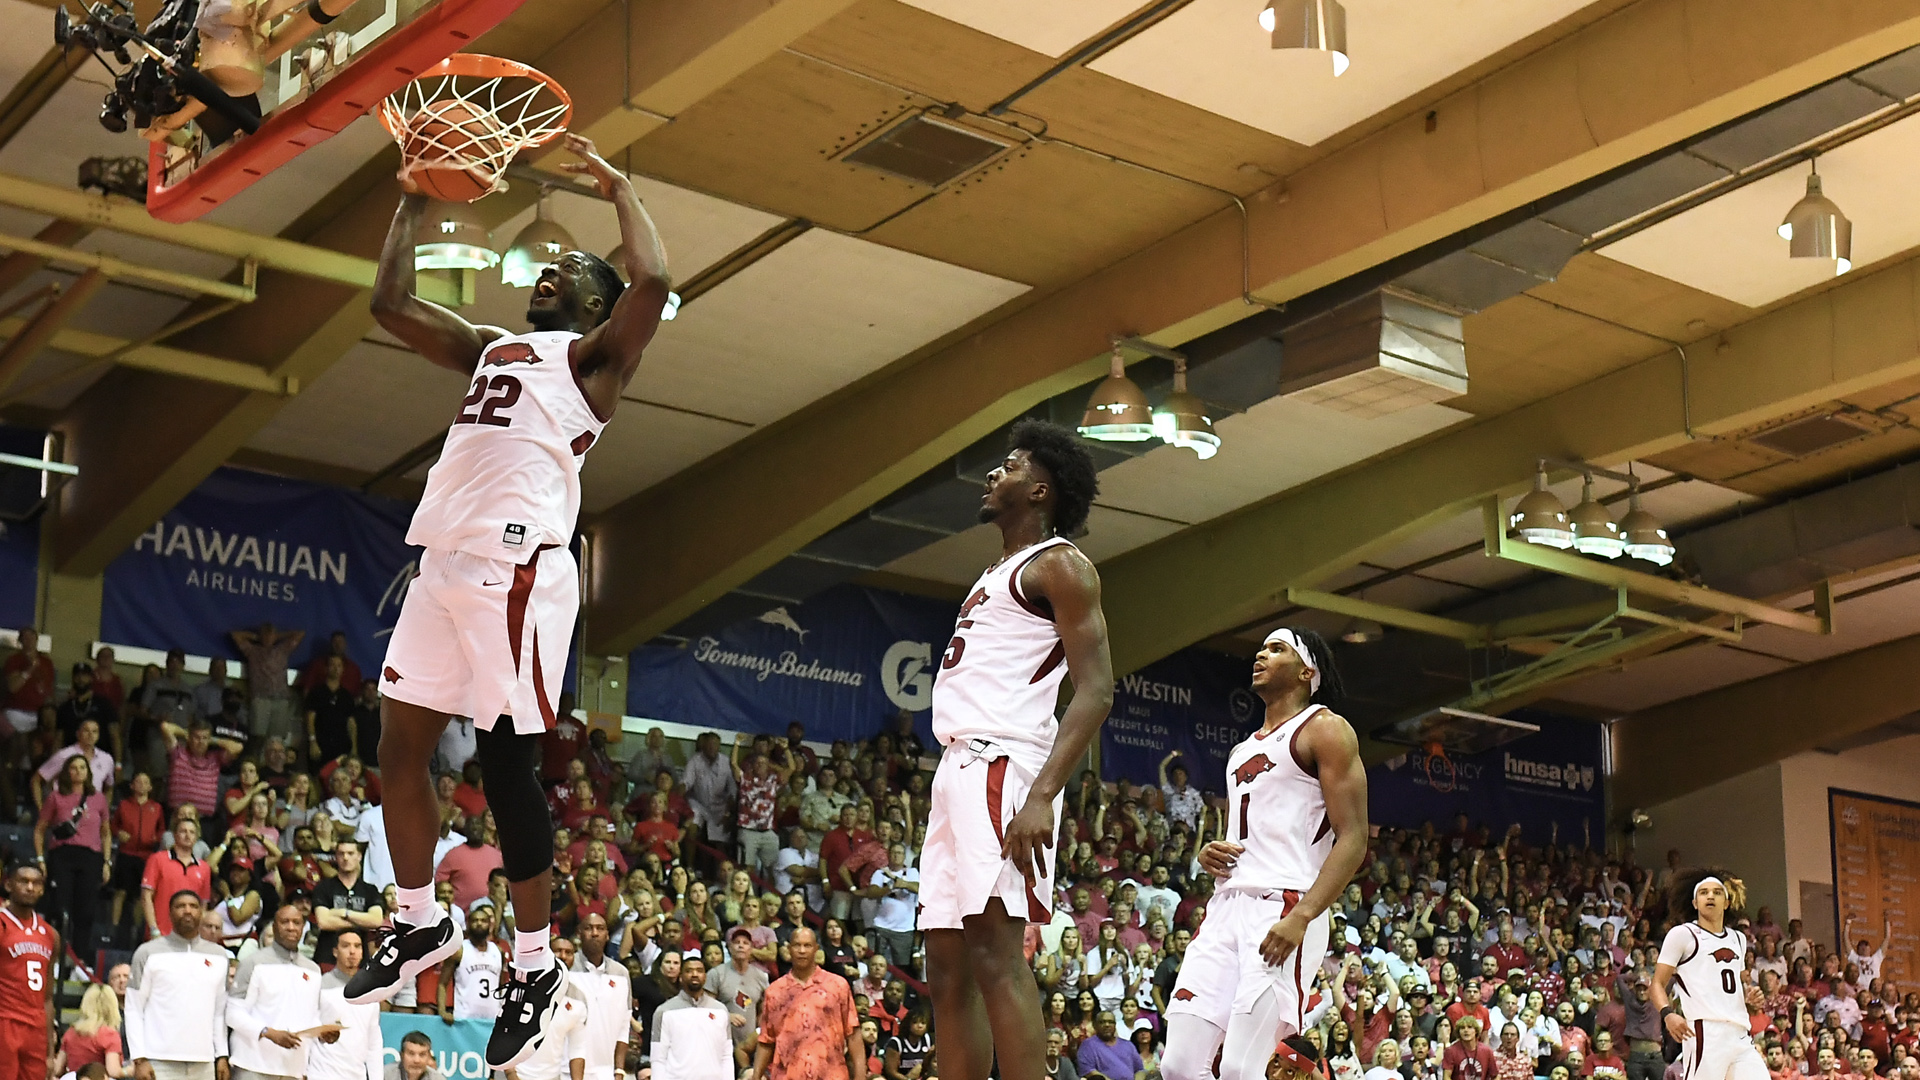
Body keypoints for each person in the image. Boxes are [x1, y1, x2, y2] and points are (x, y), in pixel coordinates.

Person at [346, 131, 671, 1074]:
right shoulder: (494, 348)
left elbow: (651, 284)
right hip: (442, 563)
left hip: (520, 571)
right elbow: (388, 303)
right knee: (397, 747)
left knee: (504, 766)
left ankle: (534, 966)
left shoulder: (596, 364)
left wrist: (618, 184)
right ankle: (417, 922)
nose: (550, 273)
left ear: (596, 308)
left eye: (570, 272)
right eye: (550, 267)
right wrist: (409, 200)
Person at [923, 420, 1113, 1080]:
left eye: (1008, 466)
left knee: (996, 957)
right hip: (956, 766)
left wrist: (1041, 797)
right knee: (945, 970)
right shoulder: (995, 570)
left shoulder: (1060, 564)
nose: (992, 474)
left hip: (1004, 764)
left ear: (1039, 491)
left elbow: (1096, 690)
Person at [1163, 628, 1368, 1080]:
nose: (1262, 653)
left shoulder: (1326, 729)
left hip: (1284, 905)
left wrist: (1304, 916)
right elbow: (1252, 832)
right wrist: (1208, 854)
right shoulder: (1241, 750)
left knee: (1241, 1067)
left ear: (1306, 671)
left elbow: (1353, 838)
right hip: (1226, 906)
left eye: (1278, 649)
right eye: (1262, 647)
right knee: (1177, 1064)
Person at [1653, 872, 1766, 1080]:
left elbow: (1734, 986)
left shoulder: (1739, 939)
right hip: (1705, 1031)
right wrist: (1667, 1013)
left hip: (1739, 1032)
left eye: (1716, 892)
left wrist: (1749, 999)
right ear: (1695, 903)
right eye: (1704, 893)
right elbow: (1657, 983)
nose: (1710, 896)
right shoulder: (1683, 934)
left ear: (1727, 902)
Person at [126, 890, 232, 1080]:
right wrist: (139, 1059)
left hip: (204, 1062)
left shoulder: (219, 956)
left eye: (193, 906)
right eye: (180, 906)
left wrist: (222, 1055)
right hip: (158, 1061)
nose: (187, 911)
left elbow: (219, 1012)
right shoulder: (148, 952)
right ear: (169, 912)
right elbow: (134, 1008)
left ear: (202, 912)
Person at [226, 904, 330, 1080]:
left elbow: (311, 1016)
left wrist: (322, 1033)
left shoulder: (313, 969)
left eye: (296, 923)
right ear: (274, 927)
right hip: (253, 1066)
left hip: (293, 1069)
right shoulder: (253, 963)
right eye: (285, 922)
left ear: (303, 928)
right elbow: (233, 1013)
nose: (291, 927)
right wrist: (268, 1033)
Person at [753, 927, 864, 1080]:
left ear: (816, 949)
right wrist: (755, 1076)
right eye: (797, 945)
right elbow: (766, 1040)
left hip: (831, 1075)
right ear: (789, 949)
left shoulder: (838, 985)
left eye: (807, 945)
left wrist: (860, 1077)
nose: (802, 950)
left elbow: (853, 1035)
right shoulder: (774, 991)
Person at [35, 751, 112, 968]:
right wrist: (41, 858)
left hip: (91, 857)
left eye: (82, 768)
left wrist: (107, 862)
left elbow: (106, 832)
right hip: (62, 855)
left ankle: (79, 961)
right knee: (59, 908)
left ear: (88, 773)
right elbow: (40, 829)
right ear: (66, 773)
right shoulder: (56, 797)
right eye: (73, 768)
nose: (78, 772)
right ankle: (54, 959)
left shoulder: (98, 798)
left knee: (86, 911)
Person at [0, 861, 56, 1080]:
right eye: (23, 881)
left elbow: (48, 997)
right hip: (5, 1021)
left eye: (36, 883)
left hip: (36, 1028)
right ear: (9, 885)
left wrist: (50, 1052)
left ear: (42, 889)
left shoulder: (50, 934)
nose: (30, 887)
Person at [307, 929, 384, 1080]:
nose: (352, 951)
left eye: (357, 946)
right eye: (346, 946)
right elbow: (308, 1031)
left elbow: (374, 1042)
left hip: (357, 1075)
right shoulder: (319, 985)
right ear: (335, 951)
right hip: (321, 1074)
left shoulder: (371, 991)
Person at [570, 912, 631, 1080]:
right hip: (566, 1069)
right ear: (579, 933)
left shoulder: (621, 973)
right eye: (589, 928)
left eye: (600, 928)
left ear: (607, 935)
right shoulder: (566, 969)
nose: (595, 933)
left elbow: (624, 1025)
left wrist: (619, 1070)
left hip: (606, 1071)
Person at [653, 953, 731, 1080]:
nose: (695, 974)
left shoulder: (720, 1010)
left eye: (699, 971)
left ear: (705, 976)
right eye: (689, 971)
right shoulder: (664, 1011)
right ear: (681, 977)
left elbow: (726, 1055)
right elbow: (658, 1058)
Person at [232, 624, 305, 749]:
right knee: (257, 738)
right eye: (265, 634)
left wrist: (278, 636)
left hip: (281, 699)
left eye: (271, 634)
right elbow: (235, 635)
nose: (268, 637)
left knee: (277, 739)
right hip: (260, 699)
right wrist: (255, 637)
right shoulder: (252, 650)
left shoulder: (283, 649)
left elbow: (300, 633)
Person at [711, 926, 772, 1070]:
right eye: (736, 942)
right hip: (721, 1044)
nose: (740, 945)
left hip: (750, 1046)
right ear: (730, 948)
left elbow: (765, 1009)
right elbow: (704, 1008)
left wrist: (759, 1029)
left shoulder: (760, 976)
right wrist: (726, 1016)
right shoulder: (716, 974)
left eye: (745, 943)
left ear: (751, 949)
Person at [140, 817, 212, 939]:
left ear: (197, 837)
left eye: (192, 832)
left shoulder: (204, 868)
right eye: (183, 831)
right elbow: (146, 897)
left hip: (188, 938)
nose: (187, 835)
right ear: (174, 835)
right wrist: (153, 929)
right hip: (160, 935)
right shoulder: (157, 859)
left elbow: (203, 906)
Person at [441, 900, 504, 1021]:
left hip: (493, 1019)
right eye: (475, 921)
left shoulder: (498, 951)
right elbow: (442, 984)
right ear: (468, 924)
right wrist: (443, 1011)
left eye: (483, 921)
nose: (479, 924)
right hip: (464, 1018)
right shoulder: (459, 951)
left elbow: (501, 986)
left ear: (490, 925)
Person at [59, 983, 127, 1079]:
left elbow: (58, 1068)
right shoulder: (109, 1035)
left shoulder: (71, 1032)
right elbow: (113, 1071)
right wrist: (130, 1070)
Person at [1076, 1011, 1144, 1080]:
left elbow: (1140, 1070)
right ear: (1095, 1025)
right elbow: (1088, 1071)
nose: (1107, 1025)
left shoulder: (1128, 1045)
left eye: (1111, 1022)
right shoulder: (1087, 1045)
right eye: (1102, 1022)